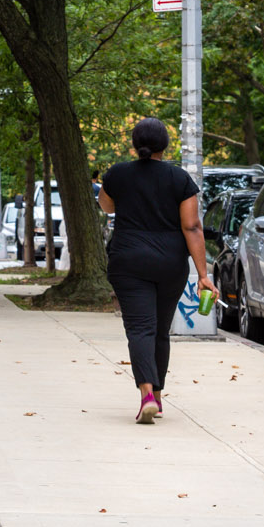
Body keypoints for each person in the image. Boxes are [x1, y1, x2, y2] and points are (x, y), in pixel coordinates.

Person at [97, 118, 216, 424]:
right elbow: (191, 226)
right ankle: (158, 397)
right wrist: (203, 275)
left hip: (128, 261)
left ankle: (147, 394)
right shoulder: (179, 179)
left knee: (140, 328)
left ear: (135, 144)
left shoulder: (118, 174)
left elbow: (107, 207)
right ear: (165, 145)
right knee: (160, 330)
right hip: (169, 263)